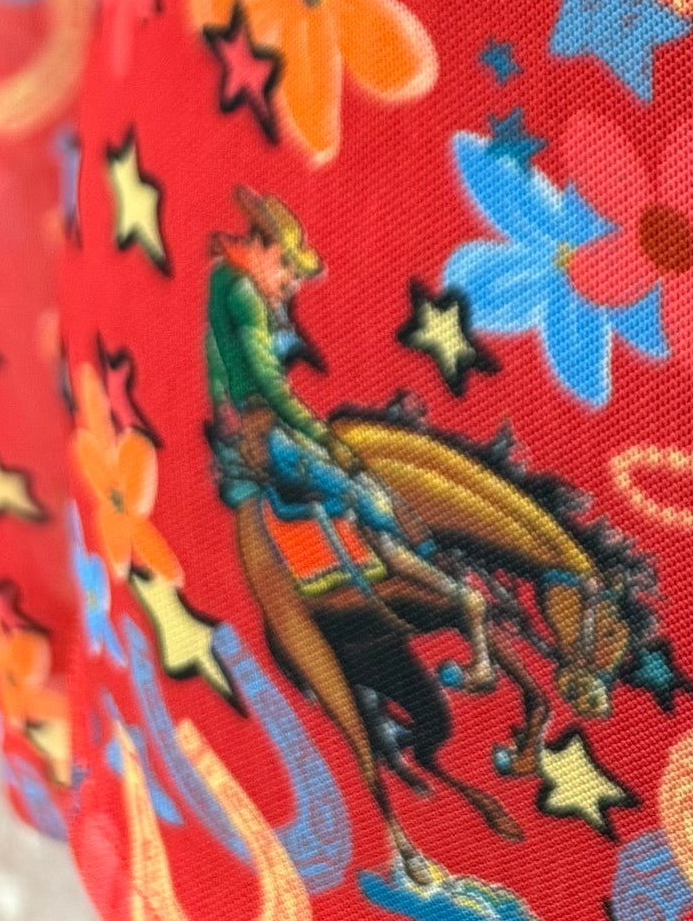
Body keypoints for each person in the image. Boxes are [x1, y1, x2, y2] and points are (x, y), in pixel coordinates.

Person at [204, 194, 497, 693]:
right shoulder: (247, 296)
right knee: (372, 499)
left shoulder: (222, 282)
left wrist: (222, 412)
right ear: (263, 246)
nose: (291, 284)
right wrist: (325, 439)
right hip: (270, 434)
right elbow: (271, 383)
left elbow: (215, 362)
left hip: (247, 433)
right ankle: (456, 593)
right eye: (288, 269)